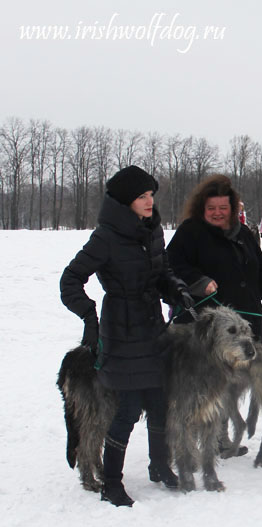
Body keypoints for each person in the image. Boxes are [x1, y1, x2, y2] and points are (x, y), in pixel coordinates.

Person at [60, 165, 193, 506]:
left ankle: (160, 466)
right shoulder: (106, 237)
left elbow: (163, 273)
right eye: (142, 196)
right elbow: (70, 281)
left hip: (153, 329)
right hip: (121, 332)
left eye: (151, 195)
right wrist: (90, 317)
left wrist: (177, 291)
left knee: (160, 402)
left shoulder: (153, 231)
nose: (150, 202)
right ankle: (111, 483)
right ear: (125, 202)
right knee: (128, 409)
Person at [166, 175, 262, 345]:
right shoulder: (189, 232)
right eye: (211, 208)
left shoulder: (244, 233)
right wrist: (198, 282)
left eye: (223, 207)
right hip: (206, 333)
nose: (217, 213)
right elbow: (170, 268)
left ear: (232, 208)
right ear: (201, 208)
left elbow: (260, 272)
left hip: (248, 327)